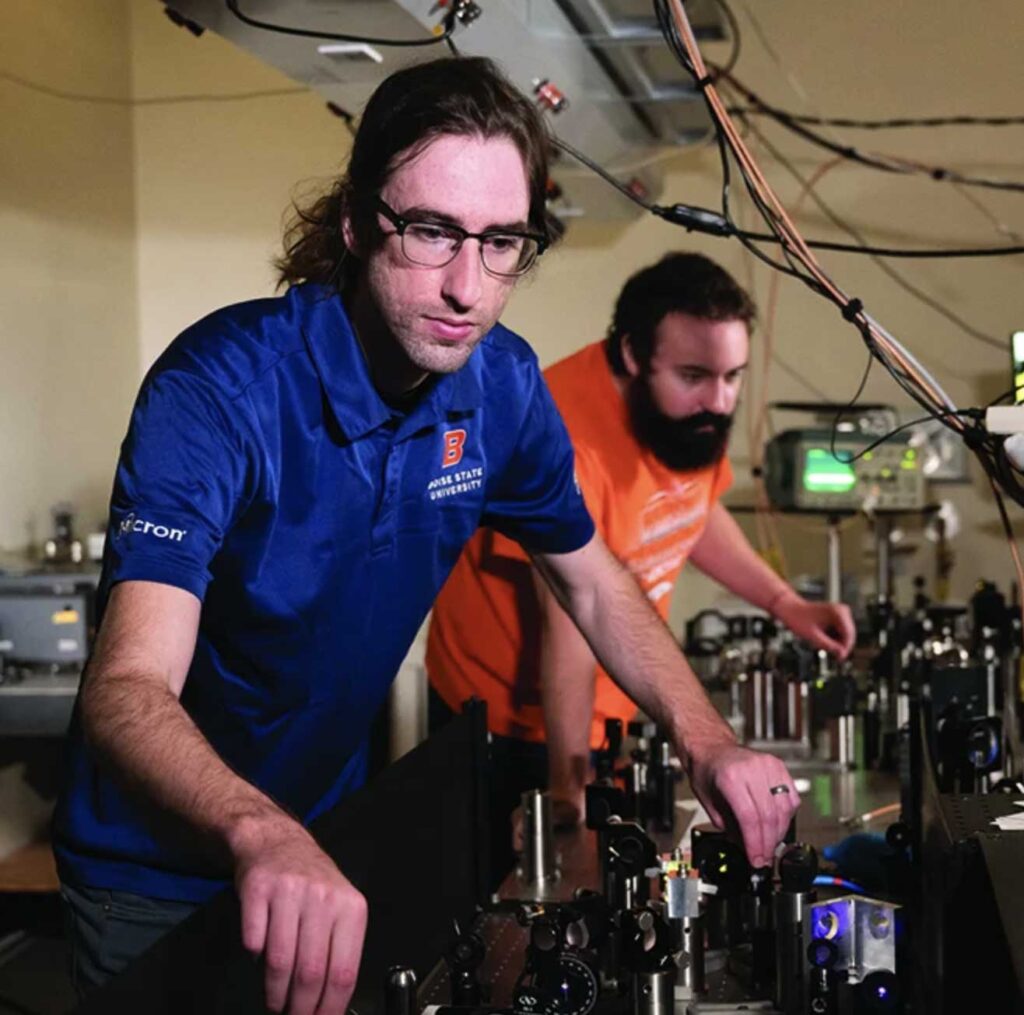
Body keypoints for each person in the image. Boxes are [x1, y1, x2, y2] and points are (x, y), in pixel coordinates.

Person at [54, 57, 798, 1015]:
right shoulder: (219, 393)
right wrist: (256, 827)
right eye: (433, 232)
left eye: (501, 243)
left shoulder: (499, 387)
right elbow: (125, 689)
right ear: (360, 223)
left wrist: (708, 743)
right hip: (152, 872)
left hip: (324, 838)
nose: (466, 287)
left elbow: (591, 580)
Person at [427, 252, 855, 867]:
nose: (719, 399)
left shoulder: (681, 418)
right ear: (632, 355)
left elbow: (690, 507)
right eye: (695, 376)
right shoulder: (566, 436)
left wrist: (786, 603)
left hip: (607, 716)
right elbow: (574, 618)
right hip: (509, 729)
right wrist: (565, 790)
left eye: (732, 375)